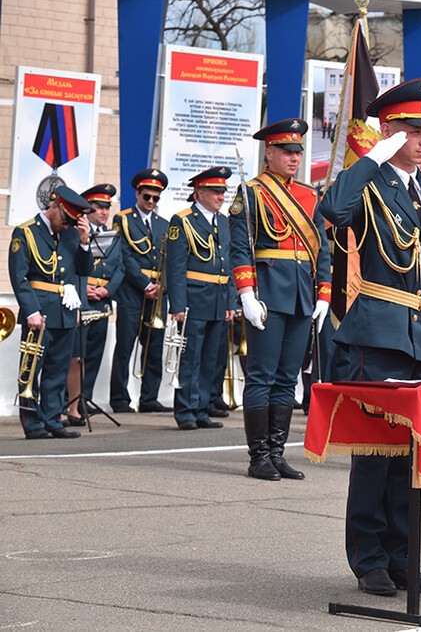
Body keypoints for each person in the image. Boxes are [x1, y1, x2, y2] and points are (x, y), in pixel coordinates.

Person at [320, 78, 421, 597]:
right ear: (391, 131)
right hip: (377, 336)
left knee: (410, 457)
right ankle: (369, 559)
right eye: (414, 131)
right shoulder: (369, 185)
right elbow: (333, 209)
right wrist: (373, 157)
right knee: (375, 454)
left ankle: (403, 557)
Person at [230, 118, 332, 480]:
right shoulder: (251, 193)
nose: (294, 158)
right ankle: (258, 456)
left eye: (297, 152)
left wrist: (324, 293)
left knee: (289, 378)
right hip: (268, 294)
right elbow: (240, 248)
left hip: (302, 296)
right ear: (269, 153)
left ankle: (276, 453)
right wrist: (246, 294)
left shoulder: (310, 195)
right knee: (262, 376)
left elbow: (322, 250)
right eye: (287, 151)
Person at [9, 186, 92, 439]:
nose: (67, 226)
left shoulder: (70, 233)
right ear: (54, 206)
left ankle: (52, 420)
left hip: (65, 311)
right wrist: (31, 310)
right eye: (65, 219)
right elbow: (19, 277)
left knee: (57, 370)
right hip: (39, 312)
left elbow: (82, 271)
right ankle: (32, 423)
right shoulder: (25, 232)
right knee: (32, 370)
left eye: (71, 222)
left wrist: (84, 243)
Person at [166, 167, 237, 430]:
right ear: (200, 193)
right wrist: (177, 304)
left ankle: (201, 409)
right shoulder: (183, 221)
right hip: (193, 300)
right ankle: (185, 411)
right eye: (216, 191)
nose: (221, 196)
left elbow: (229, 264)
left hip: (219, 298)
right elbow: (175, 266)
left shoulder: (224, 222)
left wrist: (231, 301)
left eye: (223, 191)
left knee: (210, 360)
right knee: (191, 358)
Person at [110, 169, 171, 414]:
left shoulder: (164, 224)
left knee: (154, 346)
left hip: (158, 293)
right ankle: (119, 399)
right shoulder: (123, 219)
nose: (151, 201)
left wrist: (163, 285)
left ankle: (149, 398)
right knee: (125, 346)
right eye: (147, 196)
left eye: (156, 198)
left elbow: (170, 259)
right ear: (137, 194)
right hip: (132, 291)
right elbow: (123, 255)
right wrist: (145, 284)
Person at [66, 184, 123, 424]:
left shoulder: (113, 235)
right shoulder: (73, 233)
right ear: (88, 208)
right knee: (75, 355)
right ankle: (68, 401)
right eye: (99, 207)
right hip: (82, 297)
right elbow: (69, 265)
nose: (104, 212)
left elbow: (120, 267)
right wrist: (84, 288)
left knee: (94, 354)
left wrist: (107, 289)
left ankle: (84, 400)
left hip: (102, 300)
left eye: (107, 207)